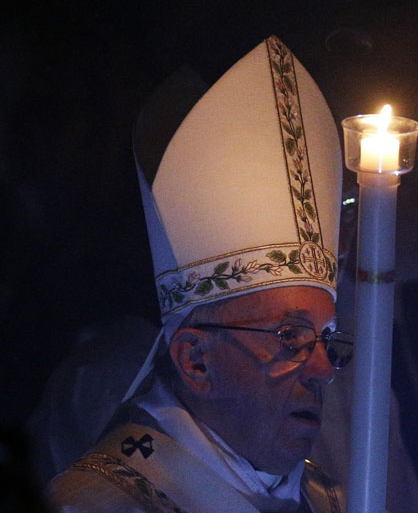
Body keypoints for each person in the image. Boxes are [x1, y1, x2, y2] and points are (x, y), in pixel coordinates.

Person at [47, 36, 351, 513]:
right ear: (195, 361)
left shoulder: (330, 500)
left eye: (327, 339)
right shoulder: (96, 505)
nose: (322, 370)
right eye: (291, 337)